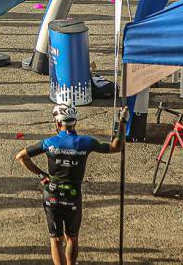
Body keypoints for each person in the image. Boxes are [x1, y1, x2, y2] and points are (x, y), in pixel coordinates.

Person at [16, 104, 124, 265]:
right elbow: (116, 147)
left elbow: (21, 156)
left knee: (56, 239)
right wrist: (122, 122)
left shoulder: (49, 143)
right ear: (75, 122)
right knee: (72, 237)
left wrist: (42, 175)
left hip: (51, 194)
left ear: (58, 123)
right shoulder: (86, 142)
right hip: (73, 196)